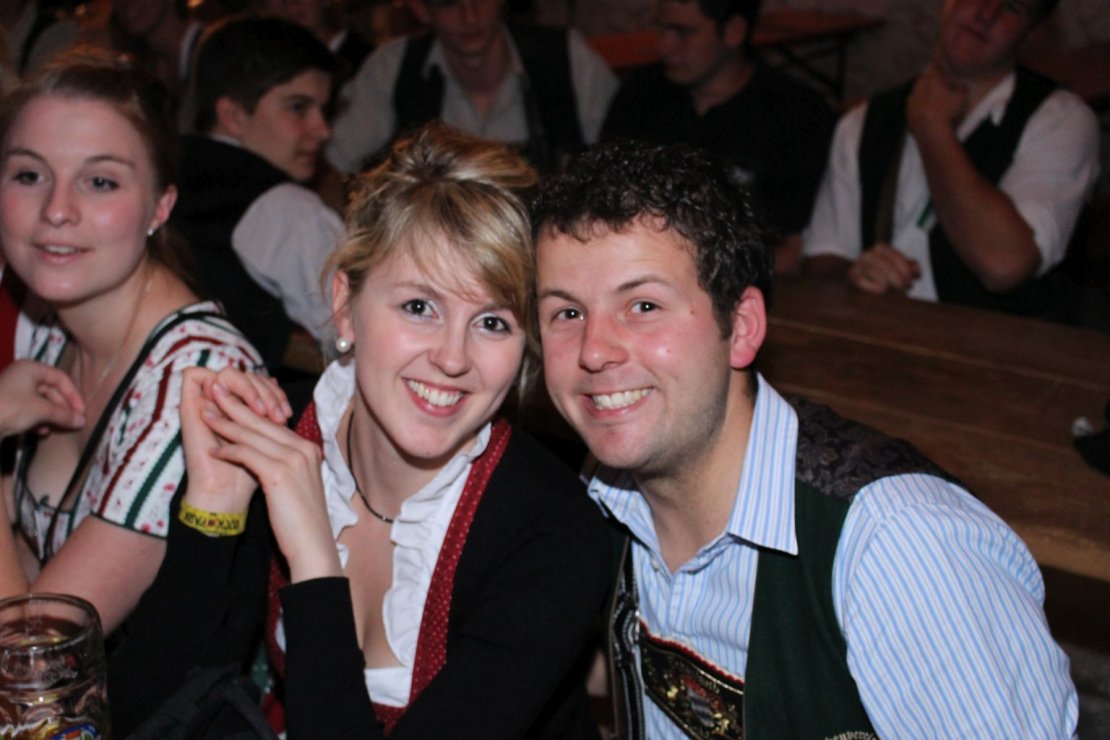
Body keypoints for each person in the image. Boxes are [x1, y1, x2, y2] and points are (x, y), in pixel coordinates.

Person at [532, 139, 1077, 738]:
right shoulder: (606, 494)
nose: (594, 351)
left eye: (642, 305)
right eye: (567, 313)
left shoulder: (899, 550)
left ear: (742, 328)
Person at [112, 123, 611, 738]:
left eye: (492, 322)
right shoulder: (278, 436)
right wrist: (213, 508)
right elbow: (142, 709)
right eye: (419, 307)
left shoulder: (555, 531)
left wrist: (314, 558)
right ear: (345, 305)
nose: (452, 358)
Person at [0, 52, 262, 634]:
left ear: (160, 206)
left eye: (100, 182)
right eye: (29, 175)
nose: (56, 210)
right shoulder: (49, 325)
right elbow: (26, 572)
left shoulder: (199, 383)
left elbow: (33, 657)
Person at [802, 0, 1099, 319]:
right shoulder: (865, 121)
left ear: (1031, 33)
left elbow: (1004, 265)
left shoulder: (1061, 121)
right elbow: (822, 260)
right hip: (880, 337)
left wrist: (934, 129)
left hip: (997, 346)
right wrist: (853, 276)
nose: (986, 13)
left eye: (1012, 7)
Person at [600, 0, 835, 273]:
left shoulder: (796, 113)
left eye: (683, 32)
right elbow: (600, 208)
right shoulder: (640, 97)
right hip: (636, 267)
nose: (665, 46)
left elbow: (793, 251)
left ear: (734, 31)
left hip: (747, 280)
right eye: (661, 29)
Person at [172, 14, 344, 371]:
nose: (323, 130)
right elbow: (357, 336)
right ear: (234, 115)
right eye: (298, 107)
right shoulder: (290, 211)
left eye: (324, 110)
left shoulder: (158, 180)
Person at [326, 0, 619, 174]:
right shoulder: (392, 68)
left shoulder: (566, 56)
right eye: (449, 2)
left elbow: (621, 160)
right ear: (422, 9)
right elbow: (333, 166)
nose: (470, 16)